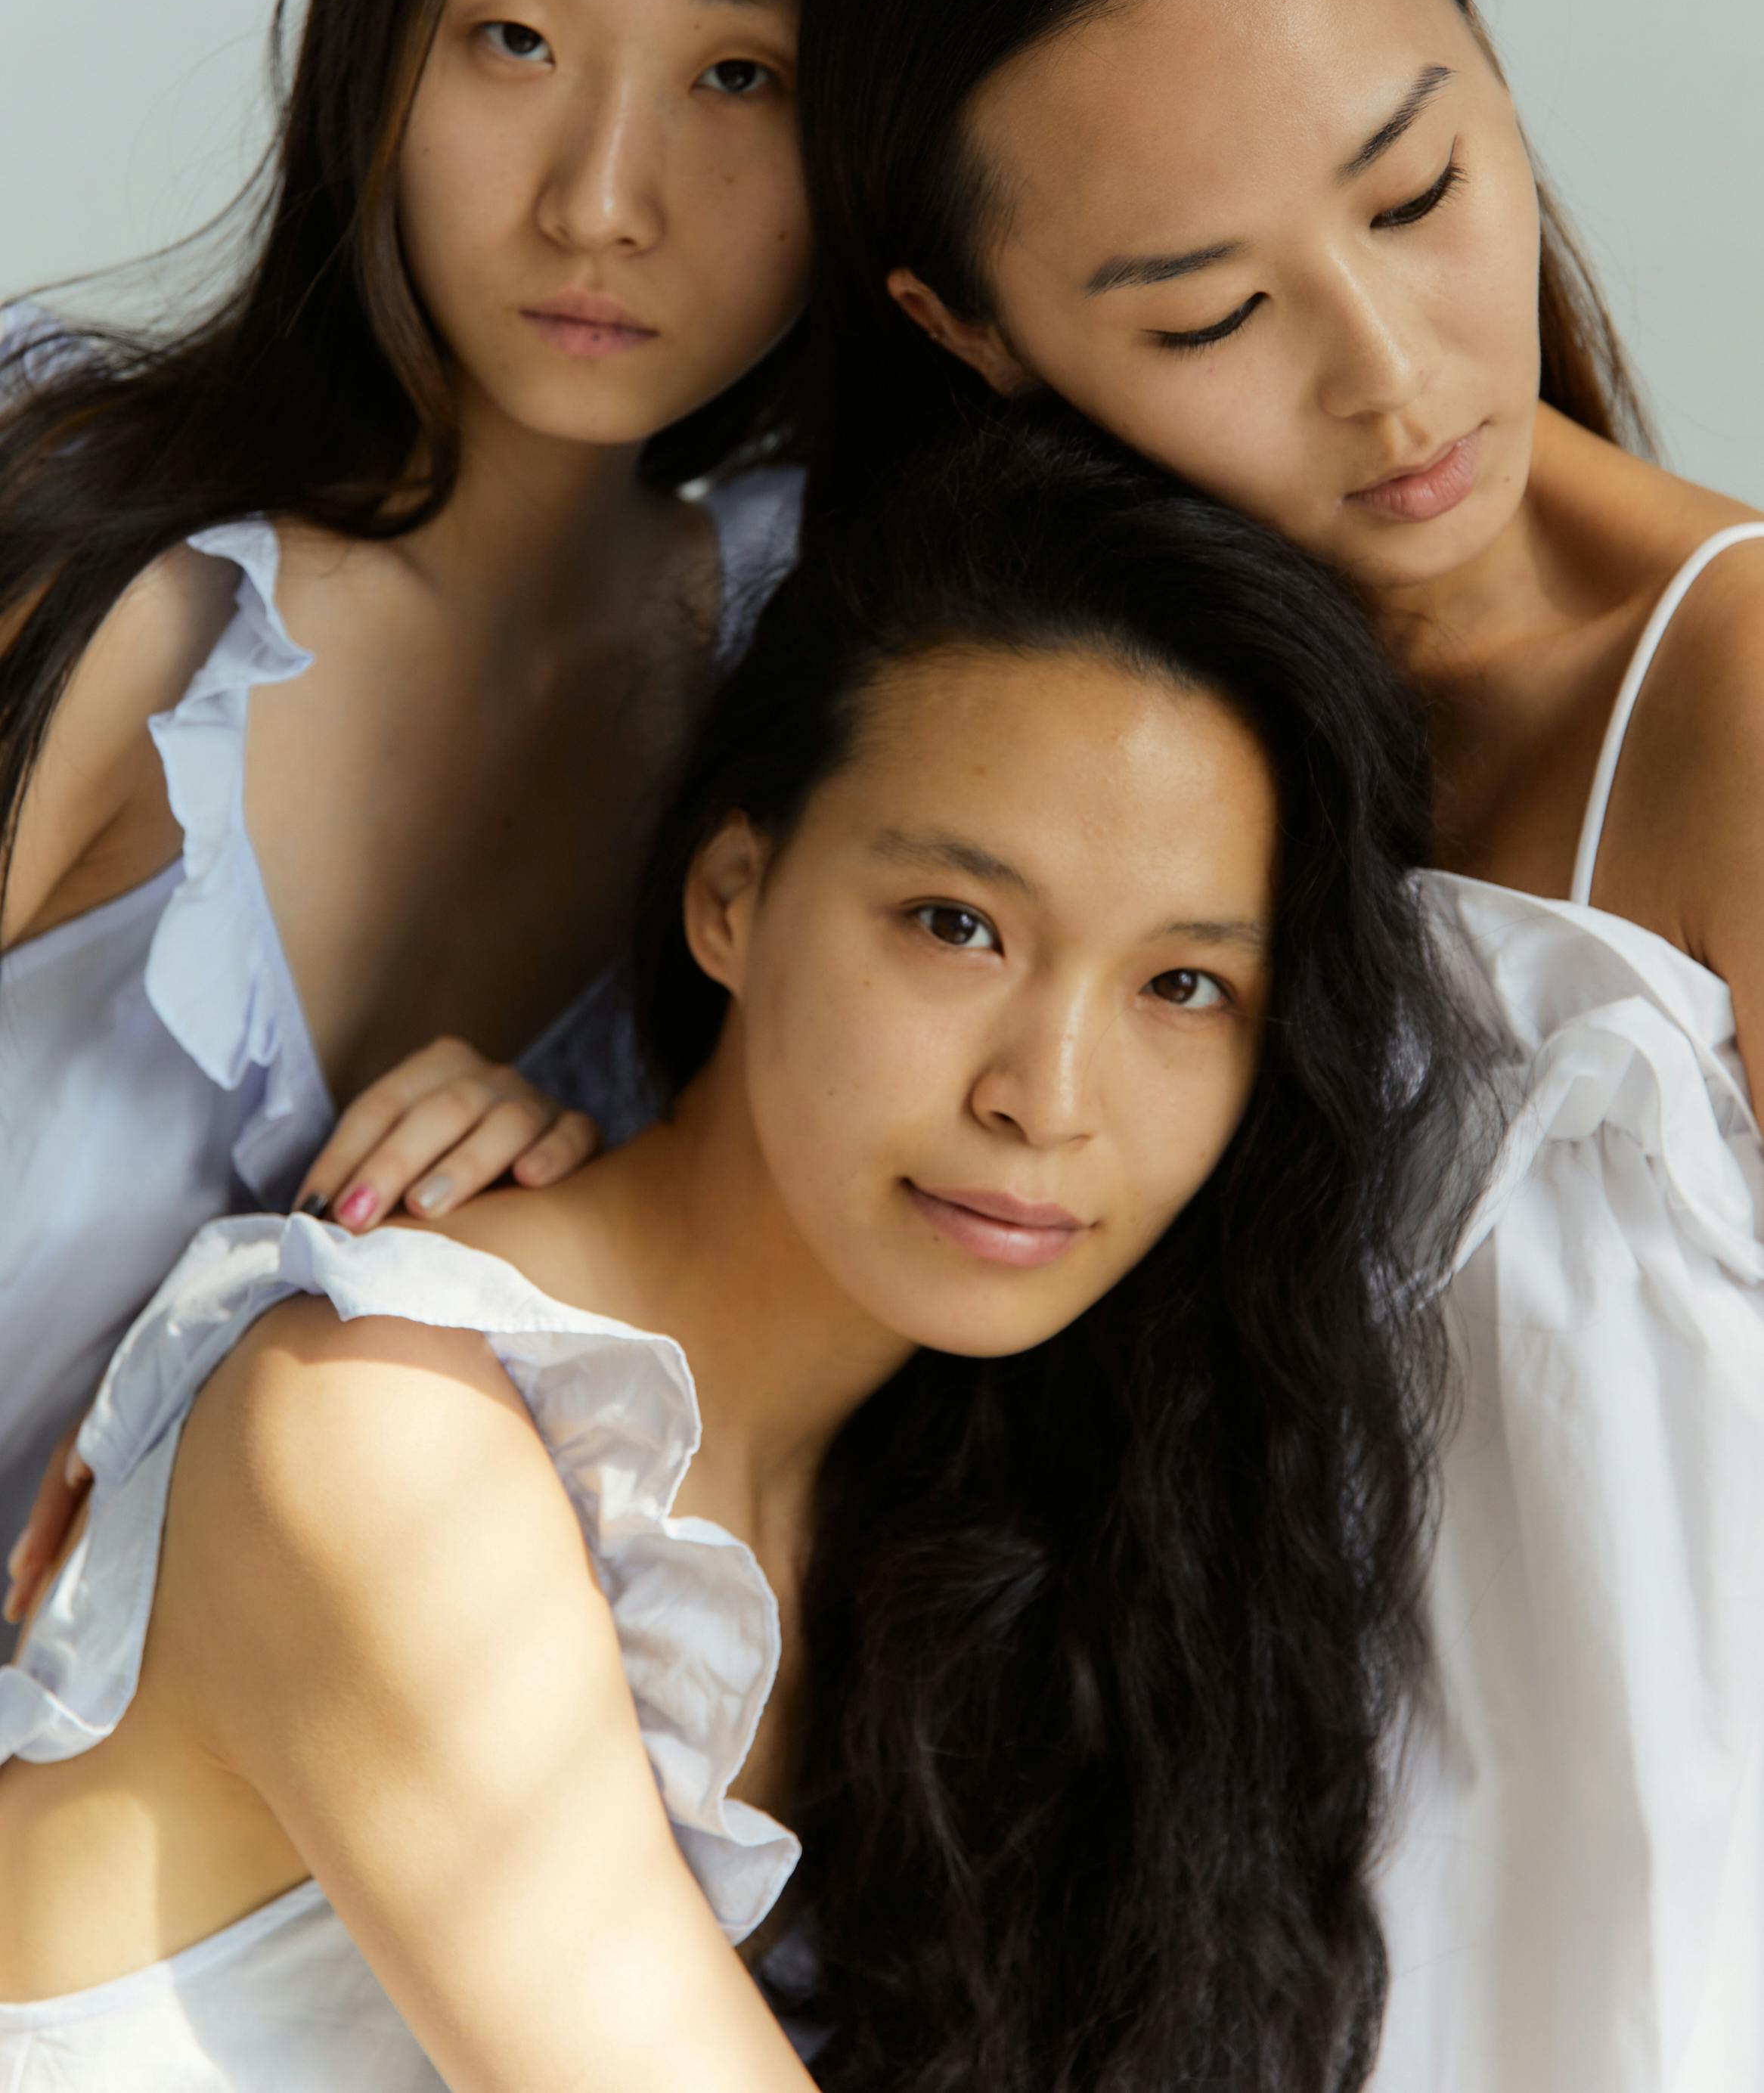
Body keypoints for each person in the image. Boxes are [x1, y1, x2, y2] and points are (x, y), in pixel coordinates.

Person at [0, 411, 1487, 2091]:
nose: (1047, 1099)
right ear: (731, 894)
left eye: (1184, 986)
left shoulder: (977, 1531)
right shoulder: (384, 1426)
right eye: (957, 925)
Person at [797, 0, 1764, 2089]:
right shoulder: (975, 731)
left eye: (1420, 187)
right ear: (972, 332)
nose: (1391, 370)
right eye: (1205, 311)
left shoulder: (1732, 707)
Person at [0, 0, 918, 1624]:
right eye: (513, 39)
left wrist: (563, 1216)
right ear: (375, 46)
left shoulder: (820, 688)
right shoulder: (99, 563)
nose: (602, 192)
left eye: (736, 77)